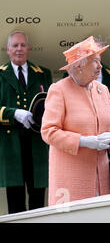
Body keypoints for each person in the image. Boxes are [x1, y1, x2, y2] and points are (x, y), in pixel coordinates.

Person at [41, 36, 110, 206]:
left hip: (101, 179)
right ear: (79, 65)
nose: (100, 66)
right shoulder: (59, 90)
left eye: (100, 61)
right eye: (95, 62)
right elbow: (48, 131)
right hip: (70, 183)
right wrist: (83, 141)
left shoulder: (102, 90)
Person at [0, 31, 52, 214]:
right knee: (15, 203)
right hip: (11, 145)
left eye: (23, 45)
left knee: (38, 199)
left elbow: (51, 106)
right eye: (15, 45)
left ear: (29, 49)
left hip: (36, 144)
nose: (19, 49)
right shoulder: (0, 75)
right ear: (7, 49)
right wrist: (13, 113)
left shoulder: (43, 74)